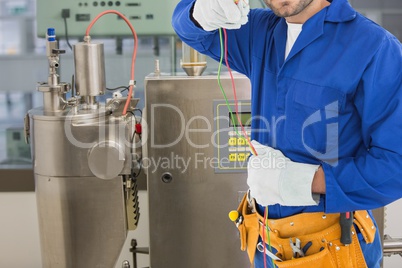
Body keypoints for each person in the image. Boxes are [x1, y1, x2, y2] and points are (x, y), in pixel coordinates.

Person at [172, 0, 402, 267]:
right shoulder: (259, 32)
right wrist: (200, 11)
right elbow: (188, 30)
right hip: (266, 244)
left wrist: (305, 182)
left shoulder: (373, 48)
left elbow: (396, 166)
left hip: (336, 247)